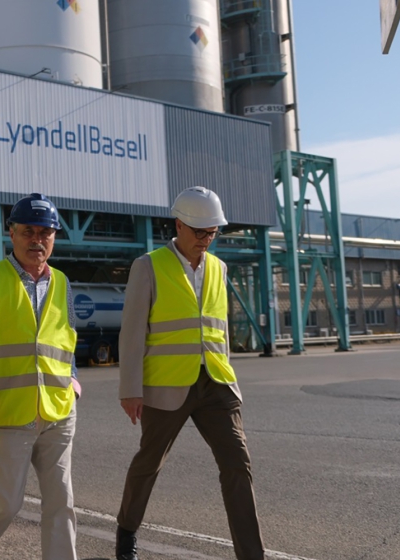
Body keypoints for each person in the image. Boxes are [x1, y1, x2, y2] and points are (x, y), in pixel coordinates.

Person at [115, 187, 264, 560]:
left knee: (238, 463)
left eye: (212, 232)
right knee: (150, 462)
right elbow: (132, 331)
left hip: (216, 382)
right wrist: (130, 388)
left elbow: (219, 328)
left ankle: (251, 555)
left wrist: (228, 373)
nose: (206, 239)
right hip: (166, 383)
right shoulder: (148, 266)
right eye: (199, 231)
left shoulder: (219, 268)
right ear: (178, 224)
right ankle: (126, 531)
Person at [0, 193, 80, 560]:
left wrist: (73, 385)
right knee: (6, 503)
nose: (37, 240)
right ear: (11, 233)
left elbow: (67, 340)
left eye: (45, 233)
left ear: (54, 237)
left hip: (58, 412)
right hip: (7, 416)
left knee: (61, 501)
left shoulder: (62, 282)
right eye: (28, 232)